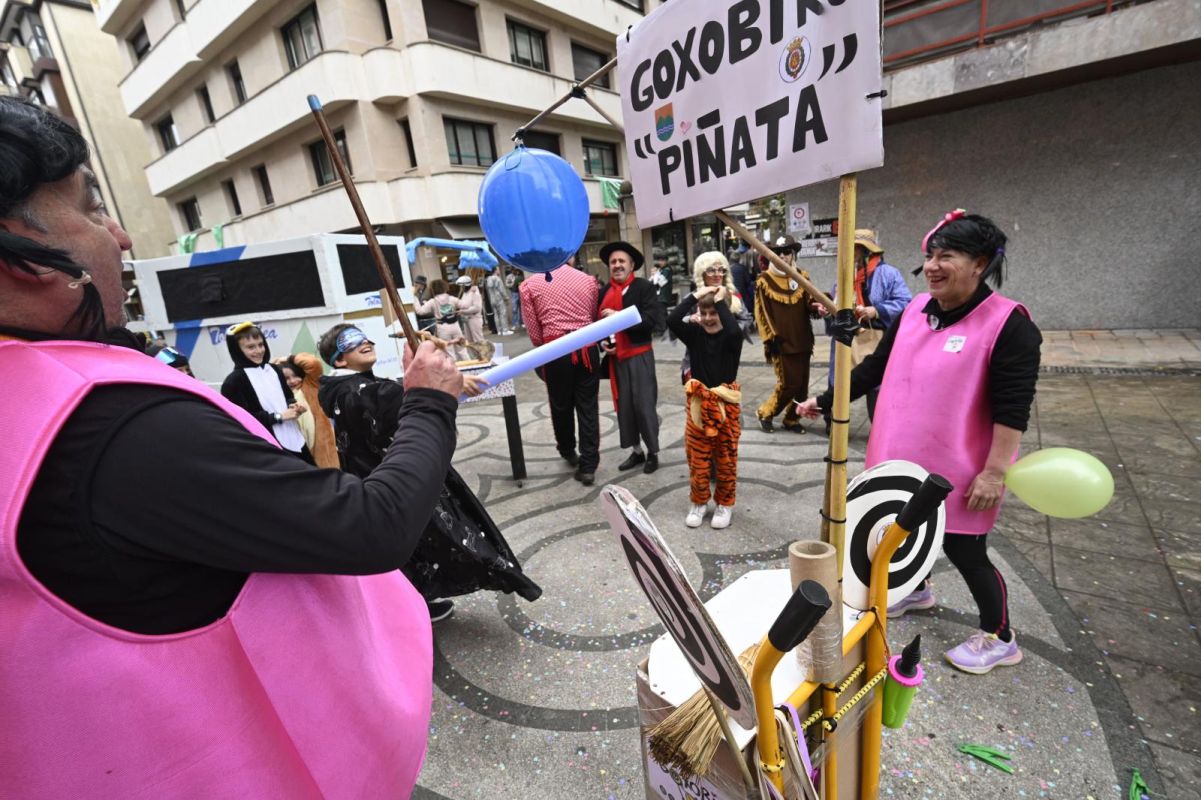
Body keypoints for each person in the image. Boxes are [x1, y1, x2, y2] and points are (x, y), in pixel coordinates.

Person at [0, 96, 465, 796]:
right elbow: (370, 526)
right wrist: (430, 402)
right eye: (92, 207)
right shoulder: (118, 430)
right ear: (19, 252)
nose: (121, 237)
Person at [797, 210, 1041, 675]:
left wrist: (995, 472)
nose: (932, 265)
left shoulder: (1009, 326)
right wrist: (826, 400)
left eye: (947, 256)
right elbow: (875, 371)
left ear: (981, 263)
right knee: (902, 531)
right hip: (900, 456)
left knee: (965, 549)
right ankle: (918, 589)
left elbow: (1013, 409)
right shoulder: (913, 311)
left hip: (962, 468)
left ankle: (999, 635)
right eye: (930, 255)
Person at [316, 323, 540, 620]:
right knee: (445, 535)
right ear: (339, 360)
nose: (365, 341)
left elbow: (395, 394)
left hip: (383, 478)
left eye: (365, 336)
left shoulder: (342, 388)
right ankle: (415, 606)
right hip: (398, 481)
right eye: (352, 341)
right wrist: (448, 385)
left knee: (417, 543)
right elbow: (402, 399)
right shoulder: (356, 390)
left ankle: (416, 601)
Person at [813, 229, 912, 424]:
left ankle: (879, 425)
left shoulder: (888, 274)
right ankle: (833, 423)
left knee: (875, 382)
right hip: (845, 338)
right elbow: (837, 303)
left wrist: (876, 310)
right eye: (849, 249)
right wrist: (827, 309)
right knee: (840, 380)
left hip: (874, 337)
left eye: (856, 249)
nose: (852, 254)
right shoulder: (843, 275)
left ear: (868, 251)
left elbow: (905, 302)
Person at [519, 254, 601, 485]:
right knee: (588, 407)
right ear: (570, 256)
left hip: (555, 351)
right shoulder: (587, 280)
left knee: (560, 405)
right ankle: (588, 466)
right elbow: (593, 318)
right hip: (586, 348)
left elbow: (535, 335)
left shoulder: (529, 285)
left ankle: (567, 450)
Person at [668, 286, 744, 530]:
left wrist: (721, 301)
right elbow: (671, 319)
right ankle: (699, 502)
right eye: (705, 313)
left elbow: (732, 329)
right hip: (698, 404)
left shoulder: (733, 336)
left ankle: (725, 503)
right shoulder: (694, 333)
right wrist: (696, 295)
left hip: (726, 404)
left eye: (715, 312)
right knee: (697, 459)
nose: (709, 318)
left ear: (724, 312)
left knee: (726, 458)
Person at [598, 241, 665, 474]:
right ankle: (637, 451)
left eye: (621, 261)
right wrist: (603, 343)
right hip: (617, 360)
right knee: (624, 407)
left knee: (644, 406)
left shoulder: (643, 288)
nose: (617, 265)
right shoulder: (604, 292)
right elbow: (597, 326)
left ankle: (653, 453)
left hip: (639, 356)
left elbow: (653, 322)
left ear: (632, 265)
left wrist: (620, 317)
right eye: (613, 262)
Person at [220, 321, 313, 463]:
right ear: (237, 350)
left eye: (260, 344)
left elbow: (288, 397)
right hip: (268, 448)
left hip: (296, 438)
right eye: (250, 347)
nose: (258, 351)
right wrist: (278, 416)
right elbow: (240, 419)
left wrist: (294, 406)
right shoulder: (233, 382)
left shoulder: (275, 370)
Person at [754, 235, 818, 434]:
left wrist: (819, 306)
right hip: (781, 342)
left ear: (793, 254)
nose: (783, 256)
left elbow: (810, 304)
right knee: (788, 384)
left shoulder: (802, 276)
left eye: (787, 252)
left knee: (802, 387)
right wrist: (771, 338)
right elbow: (761, 312)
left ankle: (792, 419)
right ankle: (766, 413)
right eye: (778, 253)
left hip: (803, 339)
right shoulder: (764, 280)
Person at [415, 278, 469, 361]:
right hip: (455, 325)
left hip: (442, 328)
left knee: (448, 350)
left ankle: (453, 369)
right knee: (462, 349)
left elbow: (420, 311)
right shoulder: (451, 298)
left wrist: (415, 298)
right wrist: (460, 310)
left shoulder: (432, 301)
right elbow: (465, 305)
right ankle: (470, 366)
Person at [456, 273, 486, 344]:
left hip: (474, 319)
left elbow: (477, 308)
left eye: (462, 286)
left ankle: (483, 354)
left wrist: (463, 311)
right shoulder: (465, 293)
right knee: (469, 341)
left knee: (478, 340)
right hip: (466, 319)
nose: (461, 288)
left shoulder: (475, 293)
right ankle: (474, 355)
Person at [650, 254, 673, 336]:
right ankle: (666, 328)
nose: (660, 262)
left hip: (663, 296)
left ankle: (662, 330)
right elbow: (652, 282)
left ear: (666, 261)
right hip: (660, 295)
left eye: (662, 260)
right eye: (659, 260)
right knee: (662, 312)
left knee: (661, 312)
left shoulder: (667, 270)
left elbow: (659, 282)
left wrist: (655, 275)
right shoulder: (661, 270)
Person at [485, 269, 511, 335]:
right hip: (498, 298)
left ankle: (499, 330)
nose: (499, 271)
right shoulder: (497, 278)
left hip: (492, 298)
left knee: (496, 315)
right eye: (498, 270)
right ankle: (505, 330)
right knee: (502, 313)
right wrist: (506, 298)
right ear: (495, 271)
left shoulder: (488, 279)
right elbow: (502, 290)